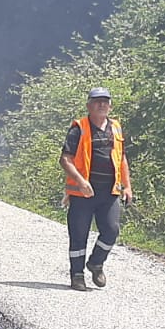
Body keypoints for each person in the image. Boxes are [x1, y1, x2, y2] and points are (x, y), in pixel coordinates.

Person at [58, 86, 133, 291]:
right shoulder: (79, 128)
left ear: (110, 106)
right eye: (97, 101)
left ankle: (96, 263)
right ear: (88, 105)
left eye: (105, 101)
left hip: (109, 193)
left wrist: (127, 186)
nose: (102, 105)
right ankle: (77, 275)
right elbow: (65, 159)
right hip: (82, 193)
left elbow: (122, 158)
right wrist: (81, 182)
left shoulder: (116, 128)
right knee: (78, 234)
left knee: (111, 230)